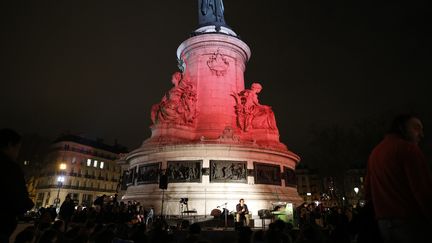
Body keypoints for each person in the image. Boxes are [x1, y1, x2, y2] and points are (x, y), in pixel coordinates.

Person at [364, 114, 432, 243]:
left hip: (383, 224)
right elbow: (423, 189)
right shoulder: (409, 149)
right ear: (402, 128)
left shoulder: (375, 153)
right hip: (410, 221)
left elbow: (368, 192)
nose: (421, 134)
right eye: (417, 128)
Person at [0, 129, 34, 243]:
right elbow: (18, 197)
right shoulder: (10, 167)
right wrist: (27, 204)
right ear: (10, 145)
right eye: (18, 148)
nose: (18, 152)